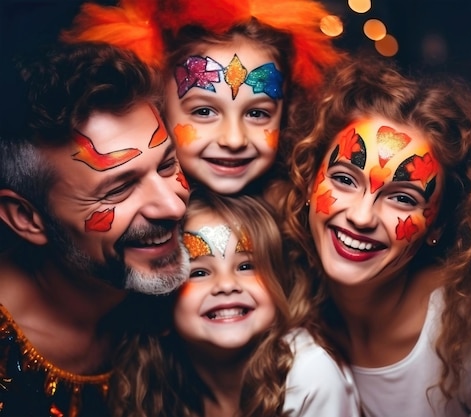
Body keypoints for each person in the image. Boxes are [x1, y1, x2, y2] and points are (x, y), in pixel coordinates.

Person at [279, 55, 471, 416]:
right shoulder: (277, 293)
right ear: (310, 179)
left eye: (402, 198)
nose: (361, 216)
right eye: (344, 179)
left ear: (437, 226)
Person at [0, 41, 190, 416]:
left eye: (167, 165)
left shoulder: (185, 299)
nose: (173, 205)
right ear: (25, 218)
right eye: (119, 189)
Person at [108, 189, 361, 417]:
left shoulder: (309, 374)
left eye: (246, 266)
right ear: (162, 302)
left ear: (279, 283)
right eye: (199, 273)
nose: (227, 285)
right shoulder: (157, 389)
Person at [61, 0, 344, 199]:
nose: (234, 140)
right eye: (205, 111)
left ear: (286, 115)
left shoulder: (297, 224)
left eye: (257, 114)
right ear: (159, 108)